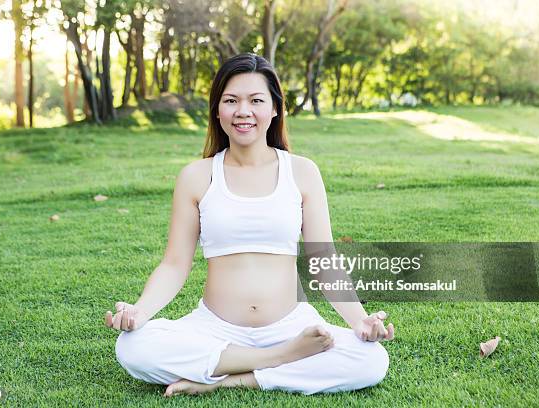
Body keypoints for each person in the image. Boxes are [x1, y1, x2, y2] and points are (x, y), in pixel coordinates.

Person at [105, 53, 395, 397]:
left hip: (291, 326)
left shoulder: (302, 172)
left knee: (371, 359)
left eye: (256, 100)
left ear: (275, 109)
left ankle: (232, 378)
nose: (243, 111)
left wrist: (360, 321)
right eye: (231, 101)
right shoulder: (196, 176)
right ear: (217, 110)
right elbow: (174, 264)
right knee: (132, 347)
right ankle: (280, 359)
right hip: (215, 329)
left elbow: (324, 262)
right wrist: (140, 311)